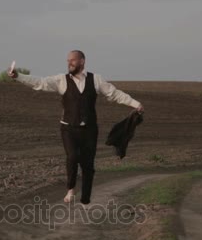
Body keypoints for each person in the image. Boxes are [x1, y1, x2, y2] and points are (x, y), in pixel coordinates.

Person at [8, 50, 144, 205]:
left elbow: (115, 94)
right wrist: (18, 76)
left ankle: (85, 198)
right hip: (68, 129)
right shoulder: (62, 80)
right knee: (72, 157)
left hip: (90, 130)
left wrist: (135, 104)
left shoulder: (96, 79)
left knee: (88, 165)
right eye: (68, 60)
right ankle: (70, 189)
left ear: (82, 61)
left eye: (72, 60)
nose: (69, 63)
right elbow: (40, 82)